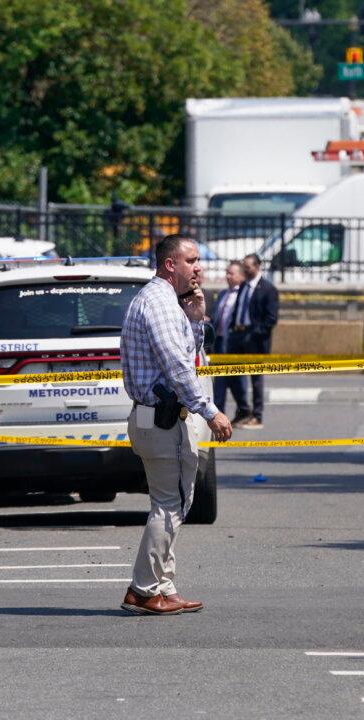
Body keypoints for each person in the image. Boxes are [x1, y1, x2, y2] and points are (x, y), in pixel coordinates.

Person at [119, 234, 233, 616]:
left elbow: (190, 354)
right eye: (192, 260)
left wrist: (196, 320)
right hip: (162, 419)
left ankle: (163, 587)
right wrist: (210, 411)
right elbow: (179, 367)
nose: (199, 267)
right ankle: (143, 589)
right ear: (171, 265)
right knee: (168, 506)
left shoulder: (170, 304)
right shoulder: (160, 304)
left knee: (174, 503)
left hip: (163, 418)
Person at [228, 253, 279, 429]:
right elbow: (239, 308)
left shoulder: (268, 289)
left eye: (248, 267)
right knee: (232, 374)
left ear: (257, 267)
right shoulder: (243, 286)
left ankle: (257, 415)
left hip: (255, 338)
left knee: (256, 379)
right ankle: (243, 409)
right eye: (244, 266)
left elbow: (271, 318)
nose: (245, 270)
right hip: (237, 335)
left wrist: (255, 332)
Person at [212, 261, 248, 419]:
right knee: (219, 380)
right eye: (227, 272)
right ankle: (219, 414)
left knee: (237, 380)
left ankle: (244, 408)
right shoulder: (222, 294)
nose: (227, 276)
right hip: (219, 342)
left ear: (241, 276)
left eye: (231, 273)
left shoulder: (244, 295)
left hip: (235, 344)